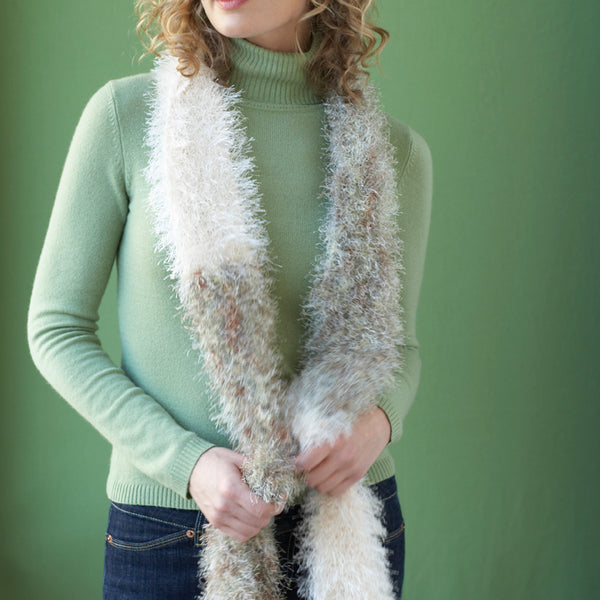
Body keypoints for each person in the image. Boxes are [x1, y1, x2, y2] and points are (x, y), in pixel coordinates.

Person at [27, 0, 432, 598]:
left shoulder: (395, 153)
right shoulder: (126, 116)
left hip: (344, 524)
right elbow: (56, 329)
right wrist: (186, 462)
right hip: (172, 526)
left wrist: (379, 423)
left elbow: (399, 350)